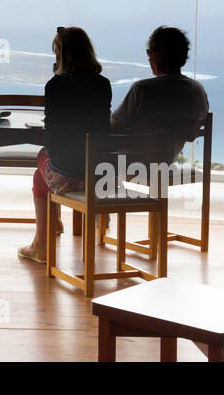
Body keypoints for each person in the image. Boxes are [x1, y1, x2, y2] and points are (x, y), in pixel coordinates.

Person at [17, 26, 111, 263]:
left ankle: (41, 244)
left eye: (56, 52)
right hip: (100, 176)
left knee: (43, 157)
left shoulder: (55, 85)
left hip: (68, 179)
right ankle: (54, 223)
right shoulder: (103, 84)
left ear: (61, 54)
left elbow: (52, 134)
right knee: (46, 170)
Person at [109, 26, 209, 168]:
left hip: (135, 163)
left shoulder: (142, 89)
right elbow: (191, 133)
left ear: (158, 56)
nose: (149, 59)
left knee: (92, 144)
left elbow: (114, 126)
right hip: (168, 160)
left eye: (149, 53)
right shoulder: (197, 90)